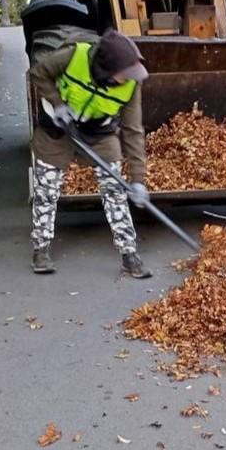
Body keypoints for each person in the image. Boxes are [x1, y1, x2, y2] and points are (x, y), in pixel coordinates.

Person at [28, 30, 153, 279]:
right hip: (59, 126)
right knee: (47, 188)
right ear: (107, 68)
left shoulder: (130, 85)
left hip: (99, 132)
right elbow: (38, 72)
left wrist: (138, 180)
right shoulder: (75, 56)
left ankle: (129, 254)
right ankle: (40, 249)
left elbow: (133, 130)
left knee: (115, 189)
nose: (129, 79)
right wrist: (57, 103)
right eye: (125, 74)